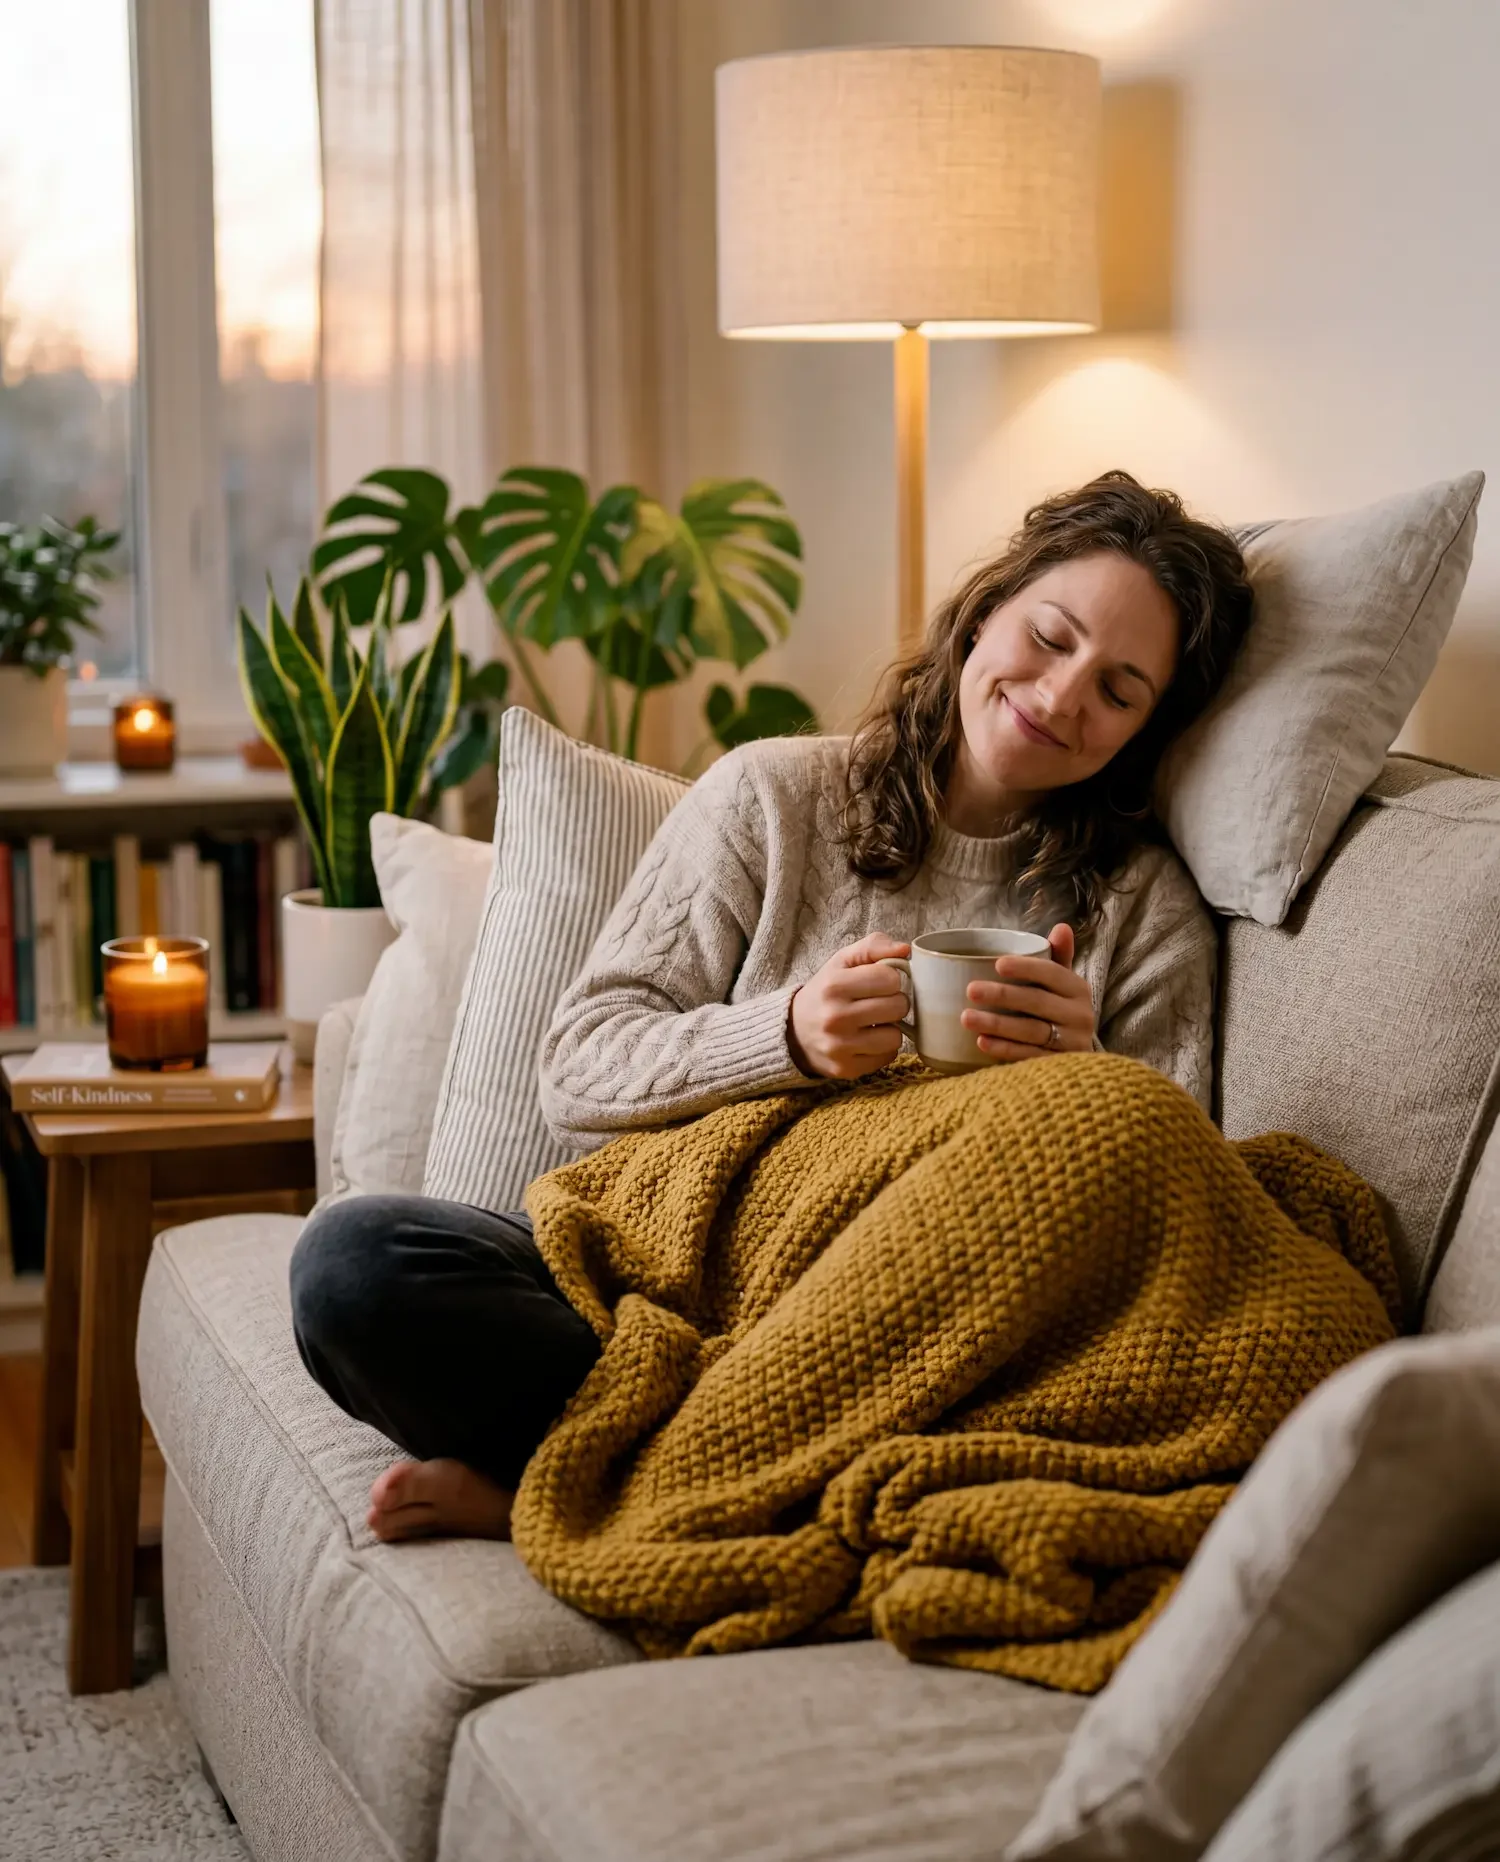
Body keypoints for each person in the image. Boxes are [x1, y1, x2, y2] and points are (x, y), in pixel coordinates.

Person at [290, 469, 1255, 1544]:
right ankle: (710, 1464)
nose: (1065, 694)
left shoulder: (1146, 908)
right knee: (354, 1267)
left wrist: (1087, 1077)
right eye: (1051, 634)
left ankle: (594, 1477)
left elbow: (1185, 1218)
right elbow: (576, 1065)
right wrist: (786, 1033)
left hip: (905, 1330)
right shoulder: (775, 797)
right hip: (664, 1283)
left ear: (1146, 730)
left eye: (1120, 690)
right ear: (985, 614)